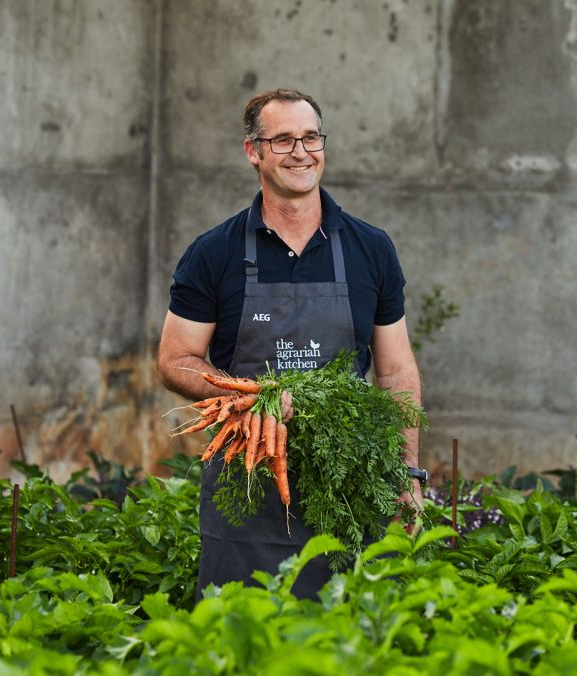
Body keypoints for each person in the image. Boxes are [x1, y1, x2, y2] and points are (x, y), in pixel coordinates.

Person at [156, 88, 423, 599]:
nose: (301, 152)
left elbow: (396, 373)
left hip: (350, 486)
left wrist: (408, 474)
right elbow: (174, 360)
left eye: (311, 137)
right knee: (239, 633)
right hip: (247, 483)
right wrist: (248, 394)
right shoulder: (214, 253)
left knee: (344, 637)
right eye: (282, 140)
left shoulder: (371, 249)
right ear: (253, 151)